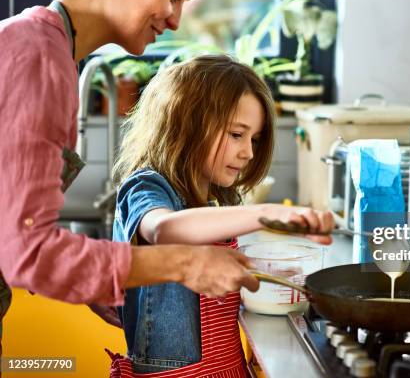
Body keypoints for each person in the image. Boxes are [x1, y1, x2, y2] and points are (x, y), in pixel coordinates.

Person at [0, 0, 330, 354]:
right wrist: (186, 264)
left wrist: (91, 279)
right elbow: (28, 250)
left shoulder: (48, 51)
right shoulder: (37, 57)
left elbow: (11, 229)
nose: (176, 20)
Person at [106, 54, 333, 376]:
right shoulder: (146, 187)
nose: (249, 152)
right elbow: (165, 231)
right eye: (237, 134)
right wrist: (268, 212)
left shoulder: (209, 198)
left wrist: (265, 273)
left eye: (254, 139)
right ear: (186, 125)